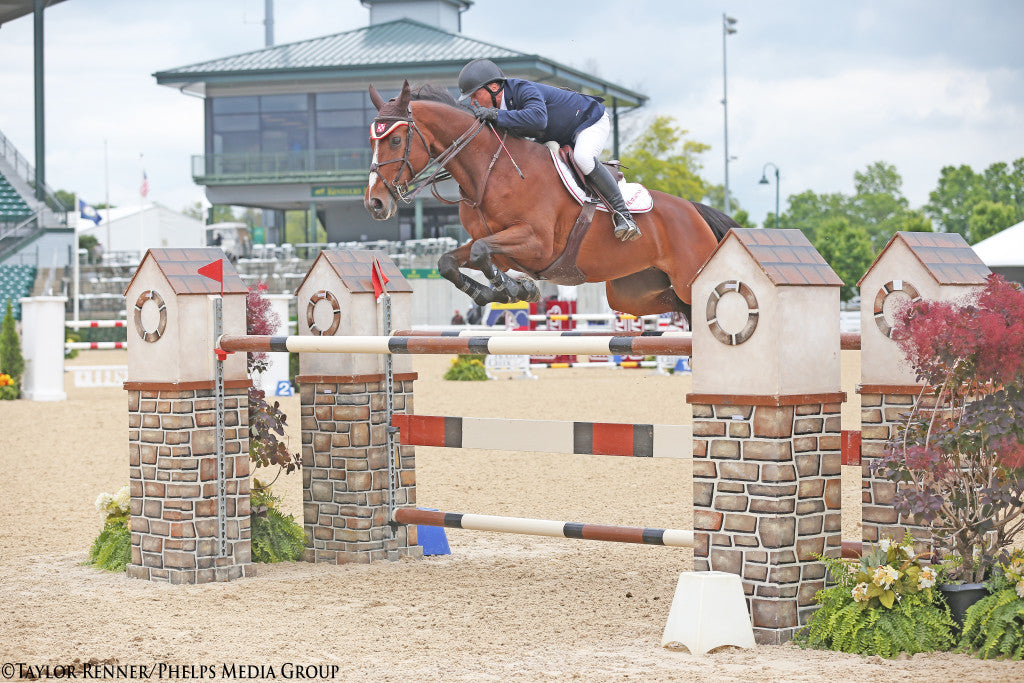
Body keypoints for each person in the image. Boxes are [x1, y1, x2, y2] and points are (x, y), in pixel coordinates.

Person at [457, 58, 640, 242]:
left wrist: (497, 115)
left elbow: (538, 119)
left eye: (475, 95)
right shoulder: (497, 108)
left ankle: (624, 216)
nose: (473, 102)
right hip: (558, 135)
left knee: (583, 158)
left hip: (588, 121)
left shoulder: (523, 89)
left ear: (494, 87)